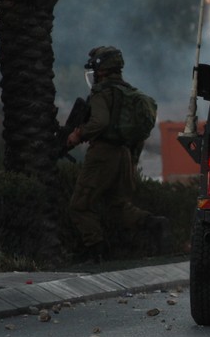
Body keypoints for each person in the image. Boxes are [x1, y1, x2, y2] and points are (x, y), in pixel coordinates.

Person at [66, 46, 167, 259]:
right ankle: (153, 223)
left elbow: (100, 122)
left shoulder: (102, 93)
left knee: (79, 206)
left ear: (102, 69)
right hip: (124, 154)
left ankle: (96, 251)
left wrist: (78, 134)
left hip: (102, 154)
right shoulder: (127, 92)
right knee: (116, 206)